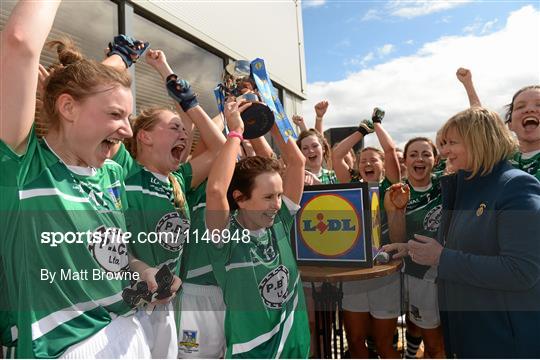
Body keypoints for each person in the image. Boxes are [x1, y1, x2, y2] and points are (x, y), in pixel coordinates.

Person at [0, 2, 149, 357]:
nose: (128, 129)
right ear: (67, 108)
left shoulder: (111, 172)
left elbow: (111, 252)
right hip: (68, 346)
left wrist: (142, 270)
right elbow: (20, 42)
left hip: (130, 332)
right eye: (115, 114)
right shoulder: (24, 168)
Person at [386, 107, 540, 357]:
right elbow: (458, 243)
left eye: (451, 143)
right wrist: (410, 249)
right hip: (468, 333)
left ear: (478, 142)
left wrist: (441, 258)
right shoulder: (463, 188)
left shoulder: (516, 186)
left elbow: (522, 271)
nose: (443, 151)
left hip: (503, 340)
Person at [205, 100, 310, 358]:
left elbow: (296, 162)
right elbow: (217, 189)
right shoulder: (224, 236)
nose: (277, 205)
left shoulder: (280, 222)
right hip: (251, 351)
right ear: (240, 198)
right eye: (267, 197)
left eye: (279, 195)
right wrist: (235, 133)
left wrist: (269, 117)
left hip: (295, 345)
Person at [331, 110, 401, 358]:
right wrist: (361, 131)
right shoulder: (352, 186)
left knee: (384, 345)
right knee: (356, 341)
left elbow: (391, 151)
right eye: (363, 161)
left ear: (383, 165)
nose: (368, 164)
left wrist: (378, 125)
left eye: (374, 160)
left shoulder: (391, 185)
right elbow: (336, 155)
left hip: (385, 273)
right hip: (356, 274)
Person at [456, 67, 540, 180]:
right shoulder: (504, 158)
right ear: (510, 124)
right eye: (520, 106)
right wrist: (468, 85)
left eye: (539, 105)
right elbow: (483, 124)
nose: (529, 109)